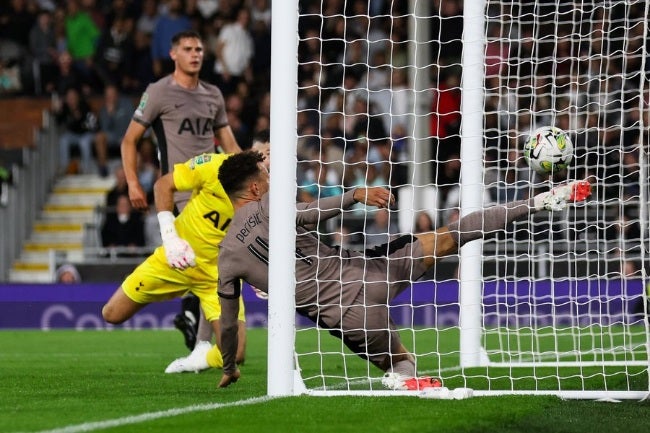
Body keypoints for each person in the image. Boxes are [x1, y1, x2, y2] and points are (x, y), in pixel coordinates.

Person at [214, 151, 592, 390]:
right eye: (266, 173)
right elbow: (312, 212)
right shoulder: (272, 206)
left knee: (402, 365)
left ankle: (405, 378)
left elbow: (228, 323)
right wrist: (355, 195)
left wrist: (230, 365)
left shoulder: (227, 253)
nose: (271, 178)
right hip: (371, 272)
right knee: (450, 236)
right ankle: (540, 200)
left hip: (350, 316)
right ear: (254, 187)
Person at [119, 29, 241, 354]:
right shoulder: (158, 92)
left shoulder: (213, 95)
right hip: (179, 192)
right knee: (209, 264)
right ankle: (196, 328)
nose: (195, 54)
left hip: (214, 192)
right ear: (173, 54)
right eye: (188, 49)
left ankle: (196, 330)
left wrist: (251, 170)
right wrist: (132, 182)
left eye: (199, 49)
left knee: (217, 264)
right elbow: (130, 139)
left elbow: (229, 146)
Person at [102, 152, 252, 374]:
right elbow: (163, 185)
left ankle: (201, 358)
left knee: (236, 352)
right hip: (177, 257)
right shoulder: (214, 166)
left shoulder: (269, 195)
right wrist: (170, 239)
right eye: (266, 153)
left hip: (218, 275)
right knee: (112, 314)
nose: (269, 162)